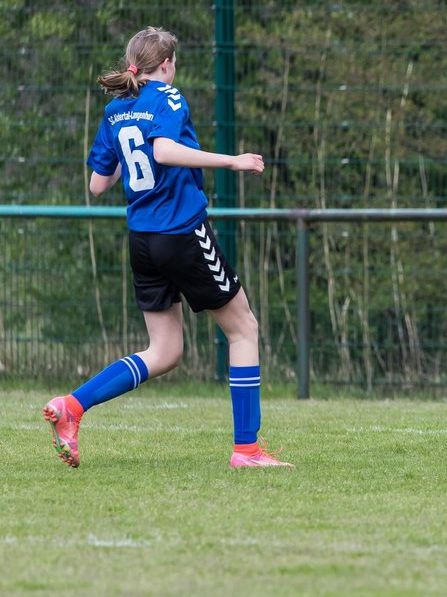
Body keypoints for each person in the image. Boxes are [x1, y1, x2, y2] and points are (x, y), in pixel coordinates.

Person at [43, 26, 290, 469]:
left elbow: (98, 184)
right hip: (181, 231)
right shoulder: (169, 98)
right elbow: (163, 151)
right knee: (243, 328)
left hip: (144, 241)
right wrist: (232, 160)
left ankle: (72, 407)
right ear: (168, 64)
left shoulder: (115, 110)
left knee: (166, 352)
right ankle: (247, 451)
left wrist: (124, 145)